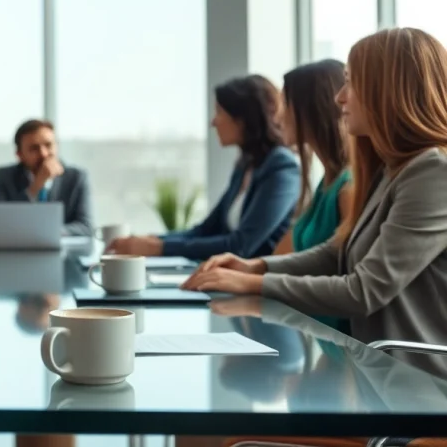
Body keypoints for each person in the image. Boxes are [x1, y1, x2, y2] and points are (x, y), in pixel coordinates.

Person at [183, 28, 447, 377]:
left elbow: (363, 291)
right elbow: (337, 253)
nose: (340, 97)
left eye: (351, 83)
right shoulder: (390, 171)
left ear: (388, 90)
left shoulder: (433, 172)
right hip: (381, 380)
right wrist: (255, 267)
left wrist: (254, 284)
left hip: (419, 388)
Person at [110, 75, 300, 259]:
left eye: (220, 112)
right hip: (225, 275)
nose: (213, 122)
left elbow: (241, 245)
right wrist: (151, 241)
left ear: (242, 119)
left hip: (252, 279)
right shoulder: (246, 165)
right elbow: (205, 230)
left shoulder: (282, 167)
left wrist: (160, 248)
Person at [272, 59, 352, 256]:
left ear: (311, 110)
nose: (277, 118)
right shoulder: (327, 182)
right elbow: (279, 255)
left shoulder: (348, 188)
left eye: (285, 104)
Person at [0, 119, 93, 237]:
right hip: (18, 248)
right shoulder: (6, 177)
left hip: (62, 248)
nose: (43, 153)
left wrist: (48, 232)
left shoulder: (76, 178)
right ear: (20, 155)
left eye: (48, 145)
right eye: (34, 148)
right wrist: (35, 186)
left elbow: (85, 227)